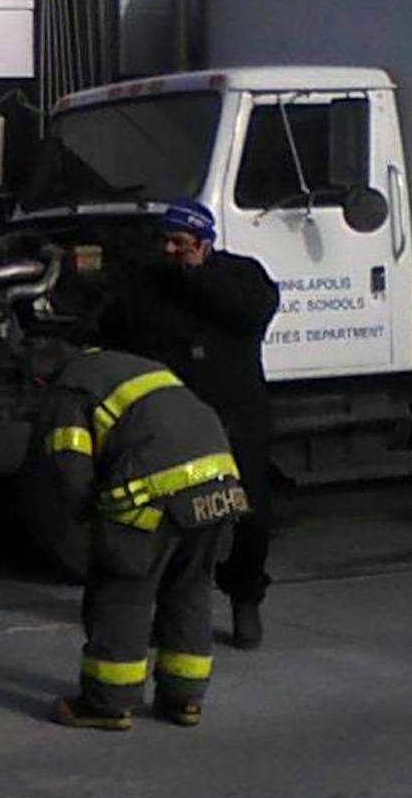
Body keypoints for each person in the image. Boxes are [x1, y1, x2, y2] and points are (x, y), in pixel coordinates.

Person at [27, 341, 249, 730]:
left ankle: (107, 704)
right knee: (189, 590)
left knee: (122, 593)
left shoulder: (68, 390)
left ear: (41, 379)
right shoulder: (135, 364)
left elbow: (69, 469)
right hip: (219, 484)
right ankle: (183, 700)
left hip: (154, 494)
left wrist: (87, 522)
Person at [103, 199, 280, 649]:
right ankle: (170, 608)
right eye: (165, 241)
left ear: (203, 243)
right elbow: (114, 331)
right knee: (170, 520)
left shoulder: (241, 276)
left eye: (179, 243)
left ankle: (245, 597)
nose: (169, 250)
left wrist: (199, 275)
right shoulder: (148, 285)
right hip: (174, 423)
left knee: (252, 517)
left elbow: (249, 312)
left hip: (237, 418)